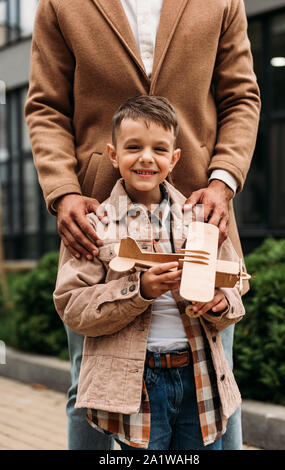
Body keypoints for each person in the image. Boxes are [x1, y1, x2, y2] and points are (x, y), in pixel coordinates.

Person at [25, 0, 260, 450]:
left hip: (201, 209)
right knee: (89, 383)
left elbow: (241, 97)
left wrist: (224, 179)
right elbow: (46, 105)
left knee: (216, 375)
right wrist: (63, 190)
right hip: (100, 222)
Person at [53, 95, 246, 450]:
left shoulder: (199, 221)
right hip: (137, 387)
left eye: (159, 149)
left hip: (198, 377)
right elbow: (71, 305)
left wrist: (219, 303)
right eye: (133, 147)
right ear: (113, 155)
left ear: (174, 159)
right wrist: (138, 291)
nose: (146, 157)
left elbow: (238, 282)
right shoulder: (97, 226)